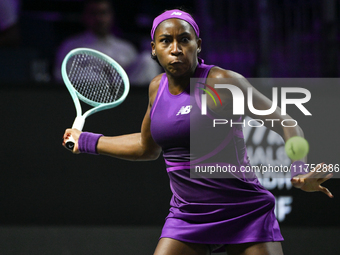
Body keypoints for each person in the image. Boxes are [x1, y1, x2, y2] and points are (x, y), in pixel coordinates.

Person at [62, 8, 333, 255]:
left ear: (198, 45)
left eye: (185, 40)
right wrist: (86, 140)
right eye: (166, 41)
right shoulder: (156, 88)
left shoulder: (223, 82)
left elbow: (286, 123)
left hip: (244, 212)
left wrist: (299, 168)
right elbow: (146, 147)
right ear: (154, 49)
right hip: (187, 215)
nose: (176, 48)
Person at [54, 0, 161, 85]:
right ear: (85, 16)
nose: (99, 19)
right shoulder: (71, 46)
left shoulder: (126, 48)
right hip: (88, 98)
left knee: (148, 60)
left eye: (103, 13)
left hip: (126, 101)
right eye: (94, 13)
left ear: (111, 16)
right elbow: (60, 77)